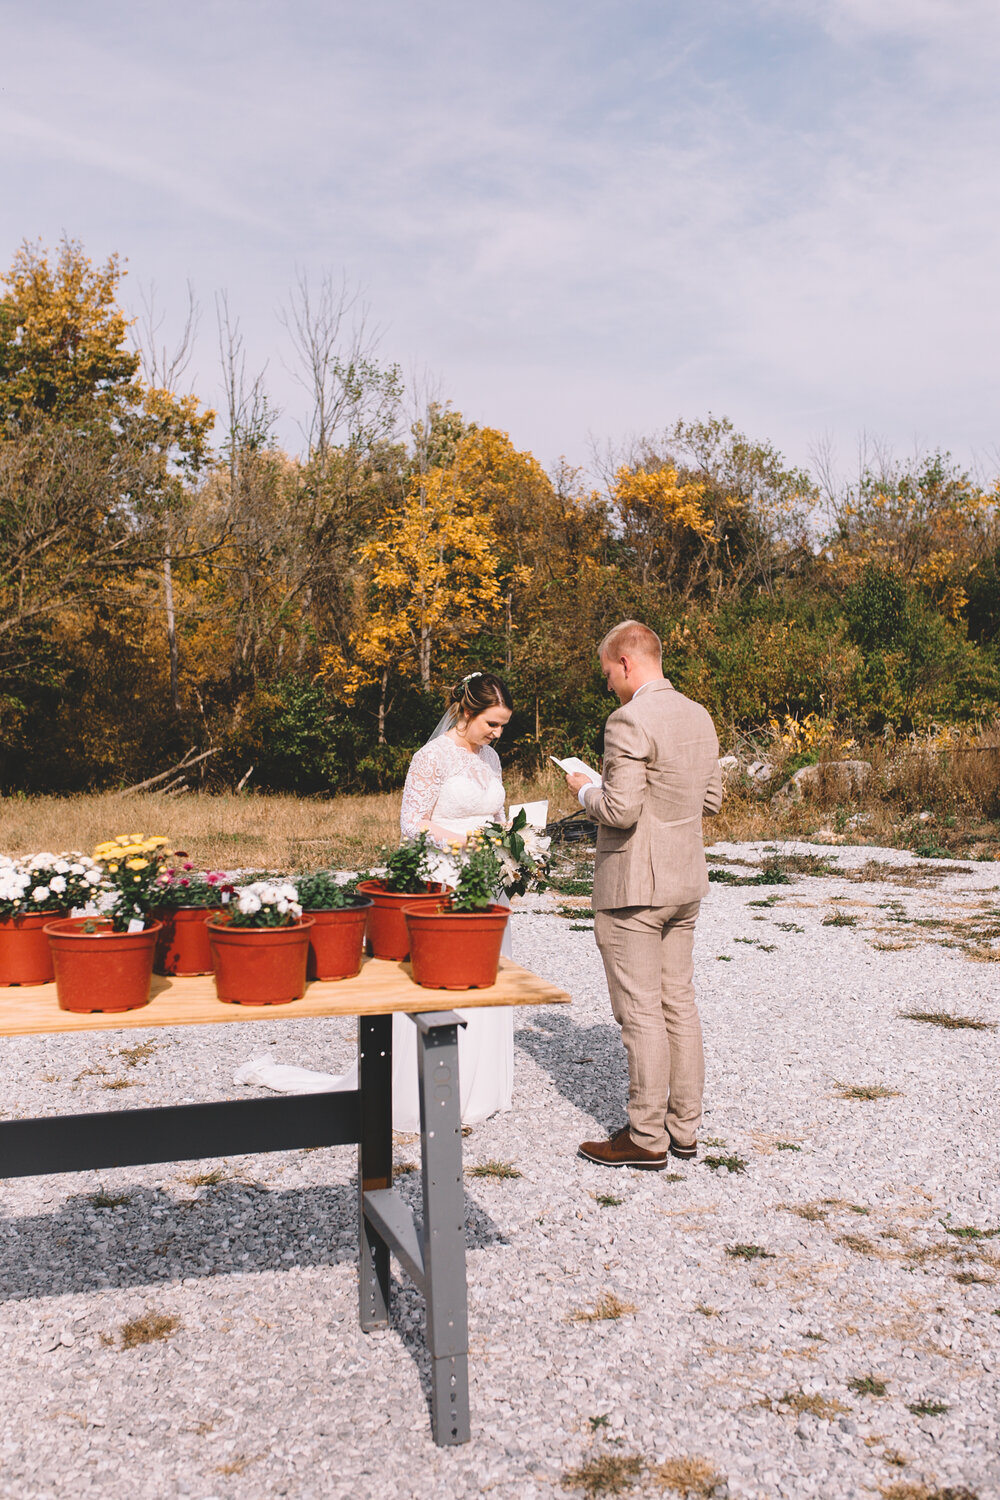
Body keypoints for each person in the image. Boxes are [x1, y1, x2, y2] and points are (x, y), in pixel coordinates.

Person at [565, 620, 722, 1170]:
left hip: (634, 885)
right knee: (679, 1003)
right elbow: (711, 800)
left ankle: (646, 1135)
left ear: (627, 663)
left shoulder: (627, 719)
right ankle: (685, 1130)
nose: (608, 684)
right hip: (685, 881)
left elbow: (620, 810)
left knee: (640, 1014)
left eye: (608, 673)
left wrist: (585, 788)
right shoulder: (699, 714)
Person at [393, 671, 516, 1131]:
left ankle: (482, 1088)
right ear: (466, 713)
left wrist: (518, 846)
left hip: (490, 880)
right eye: (492, 723)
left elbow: (499, 816)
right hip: (446, 876)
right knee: (446, 980)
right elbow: (412, 823)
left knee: (487, 974)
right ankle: (432, 1091)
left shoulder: (492, 758)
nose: (498, 734)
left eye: (502, 726)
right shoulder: (431, 757)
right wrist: (468, 844)